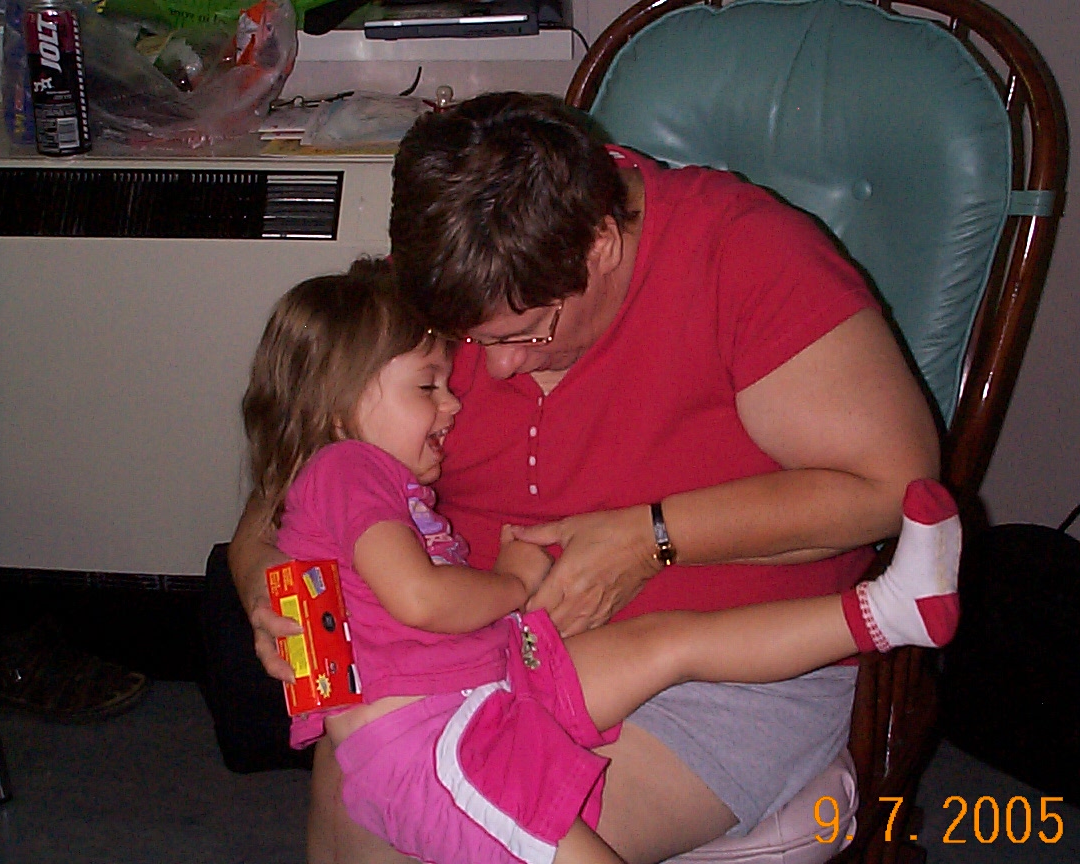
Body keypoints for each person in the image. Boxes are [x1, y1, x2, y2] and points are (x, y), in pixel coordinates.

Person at [229, 91, 945, 864]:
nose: (495, 369)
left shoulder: (741, 255)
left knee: (467, 841)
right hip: (470, 664)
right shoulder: (455, 275)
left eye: (526, 333)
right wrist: (275, 594)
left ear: (602, 243)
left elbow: (890, 487)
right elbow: (287, 498)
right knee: (359, 790)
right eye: (474, 340)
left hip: (724, 670)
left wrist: (653, 537)